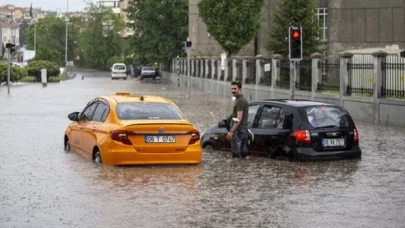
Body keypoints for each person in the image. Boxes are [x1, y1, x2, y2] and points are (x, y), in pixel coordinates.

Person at [226, 81, 249, 159]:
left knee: (235, 156)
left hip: (238, 130)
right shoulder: (242, 99)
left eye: (235, 89)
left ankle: (236, 170)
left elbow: (239, 118)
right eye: (232, 89)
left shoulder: (240, 101)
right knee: (244, 154)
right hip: (244, 129)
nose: (233, 90)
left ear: (240, 89)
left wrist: (231, 131)